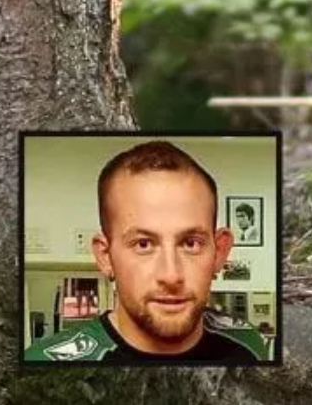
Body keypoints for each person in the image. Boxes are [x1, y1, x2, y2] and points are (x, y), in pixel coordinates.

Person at [24, 141, 268, 363]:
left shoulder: (250, 345)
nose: (171, 276)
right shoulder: (43, 366)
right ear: (105, 257)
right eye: (143, 244)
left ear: (219, 252)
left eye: (190, 243)